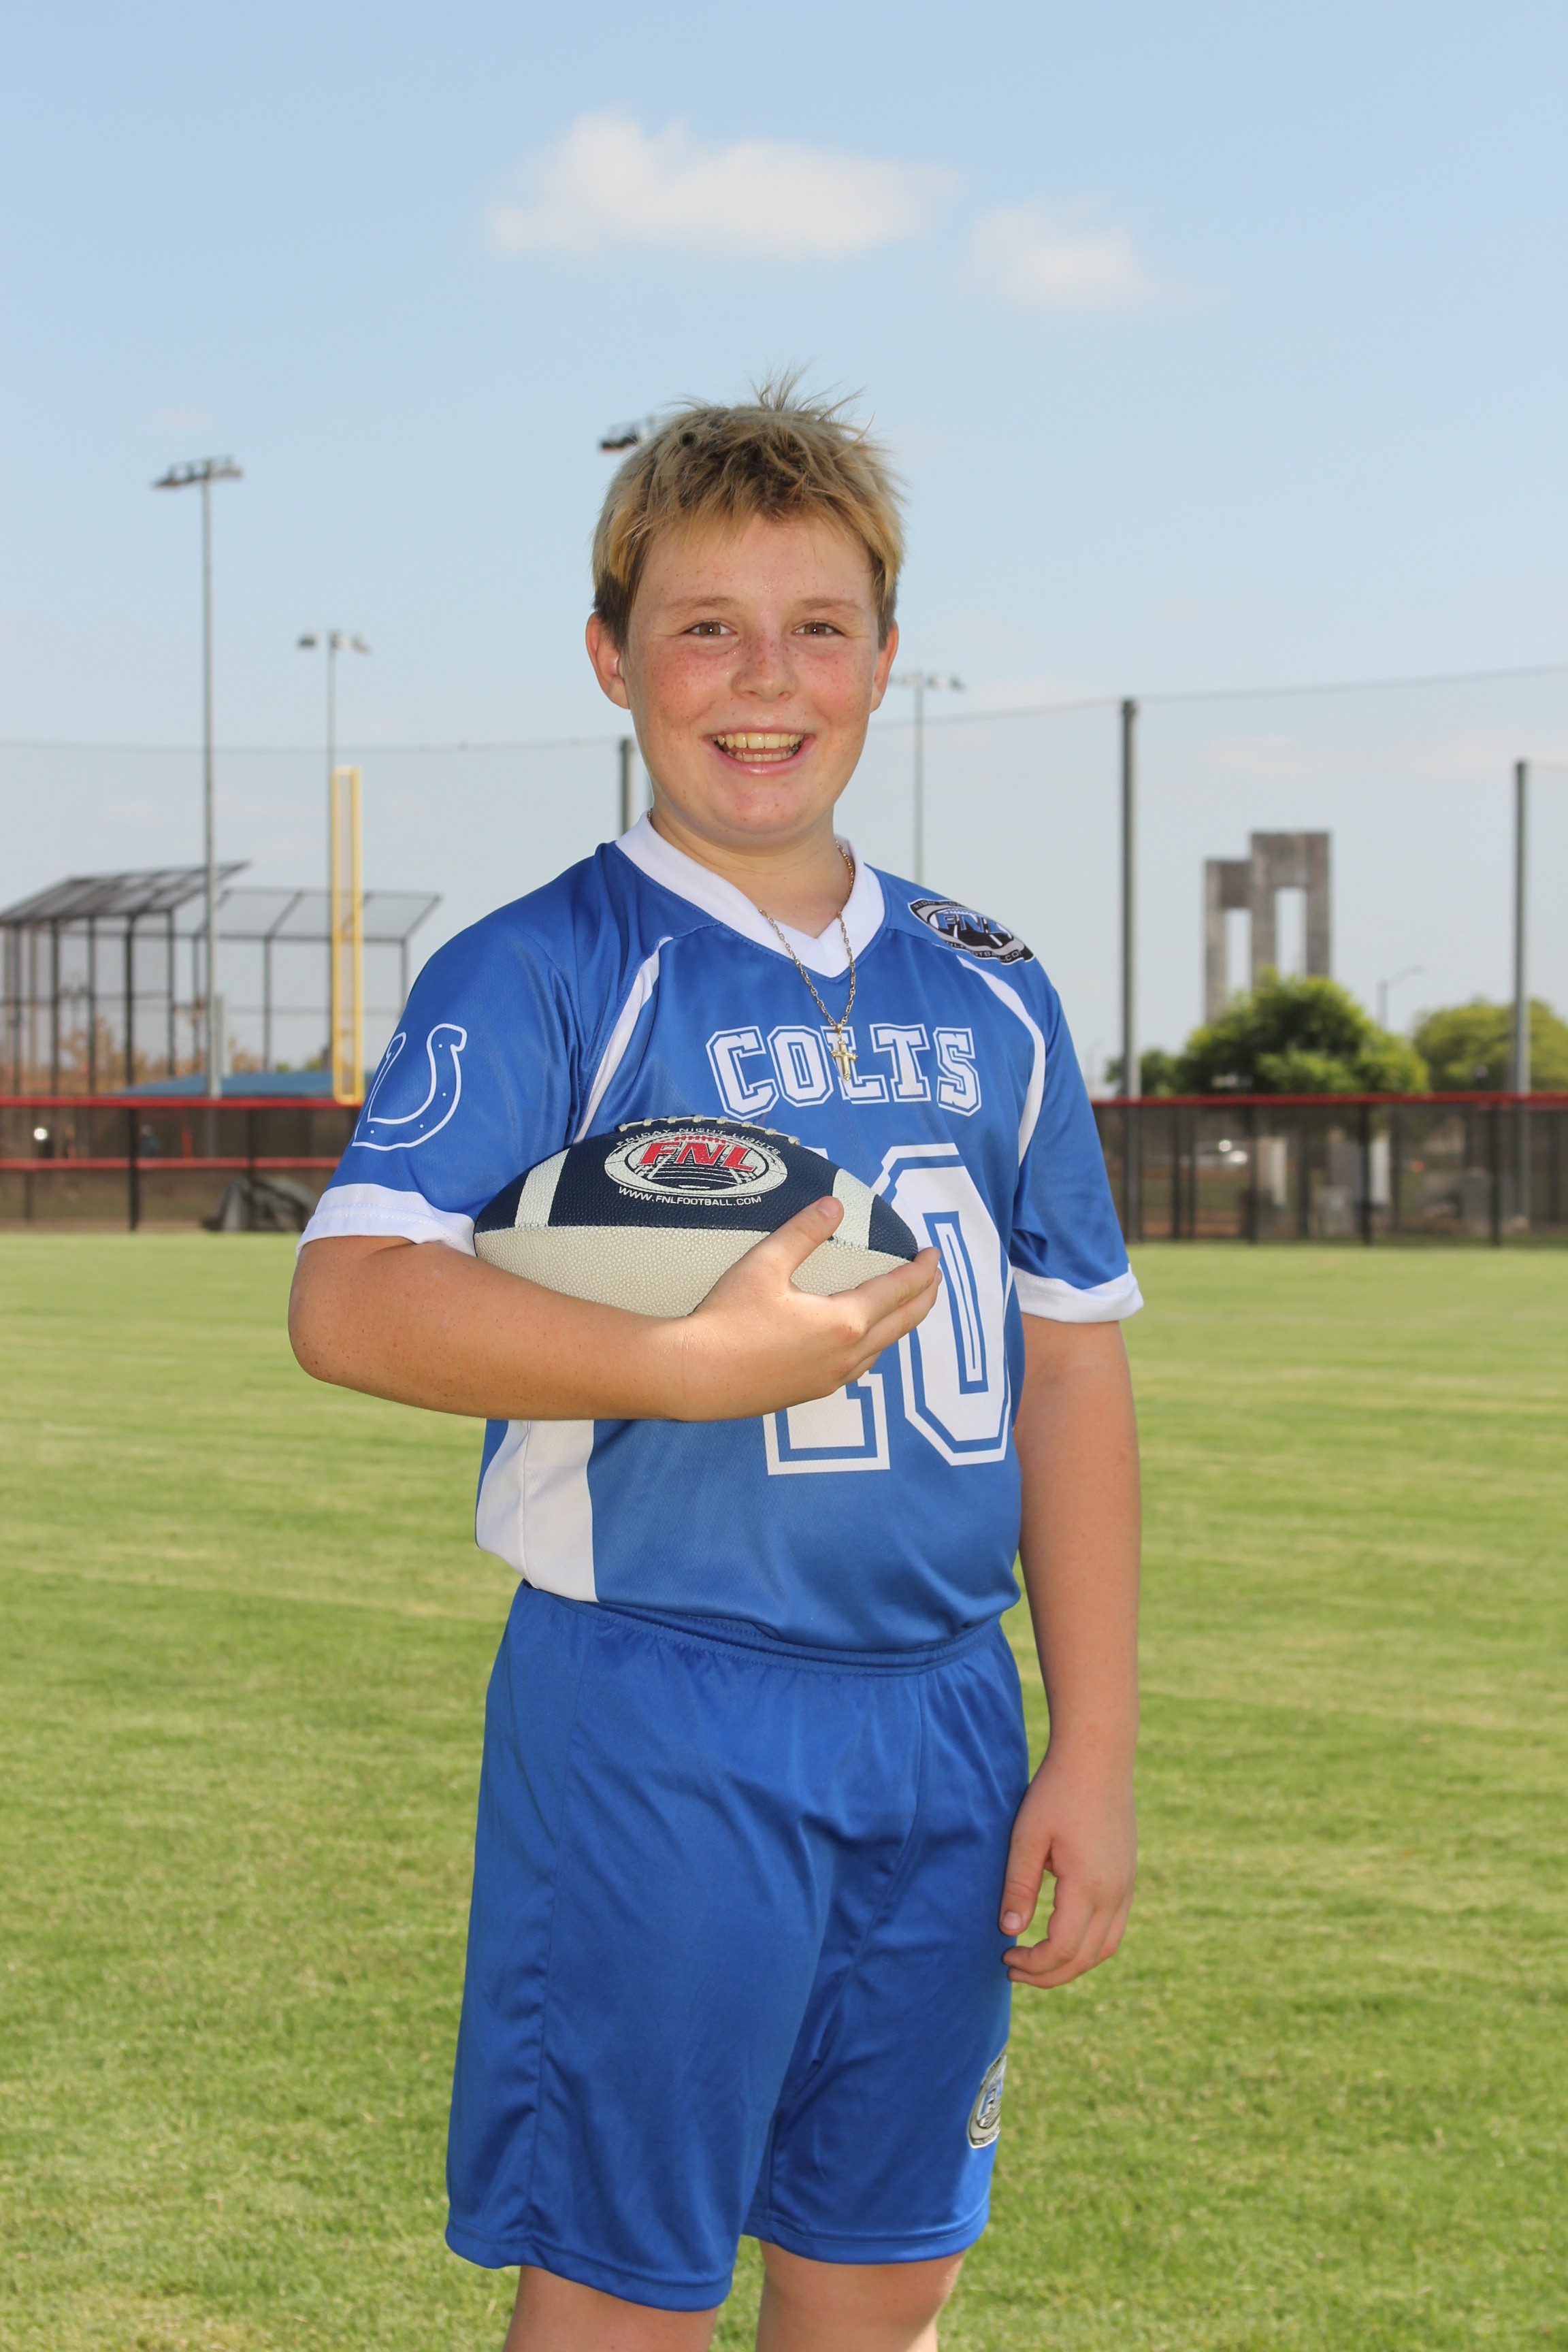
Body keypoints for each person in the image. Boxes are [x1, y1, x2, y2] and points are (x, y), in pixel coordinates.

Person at [289, 378, 1142, 2352]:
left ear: (887, 660)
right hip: (660, 1712)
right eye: (704, 628)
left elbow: (1072, 1376)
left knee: (886, 2279)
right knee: (623, 2297)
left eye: (817, 627)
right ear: (611, 657)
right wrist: (689, 1366)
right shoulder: (545, 965)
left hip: (947, 1713)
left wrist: (1090, 1743)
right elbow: (350, 1298)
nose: (765, 680)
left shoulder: (996, 985)